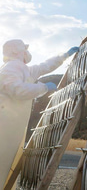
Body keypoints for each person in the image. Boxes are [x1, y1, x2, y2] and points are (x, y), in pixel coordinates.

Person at [0, 39, 79, 188]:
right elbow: (18, 90)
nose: (27, 52)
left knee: (6, 167)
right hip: (3, 128)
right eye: (24, 49)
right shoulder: (12, 67)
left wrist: (64, 55)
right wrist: (43, 88)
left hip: (12, 128)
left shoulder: (23, 68)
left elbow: (44, 66)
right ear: (16, 51)